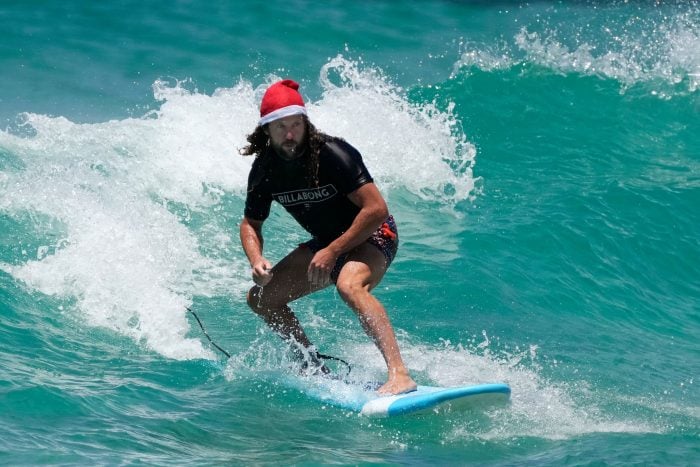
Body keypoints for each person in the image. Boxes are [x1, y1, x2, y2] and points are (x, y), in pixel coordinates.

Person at [239, 79, 416, 395]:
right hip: (328, 242)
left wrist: (333, 250)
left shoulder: (333, 154)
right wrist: (256, 259)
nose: (291, 134)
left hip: (374, 234)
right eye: (281, 127)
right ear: (266, 129)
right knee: (262, 298)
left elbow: (376, 209)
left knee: (350, 285)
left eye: (296, 124)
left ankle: (400, 375)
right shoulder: (264, 169)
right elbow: (251, 223)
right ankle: (312, 366)